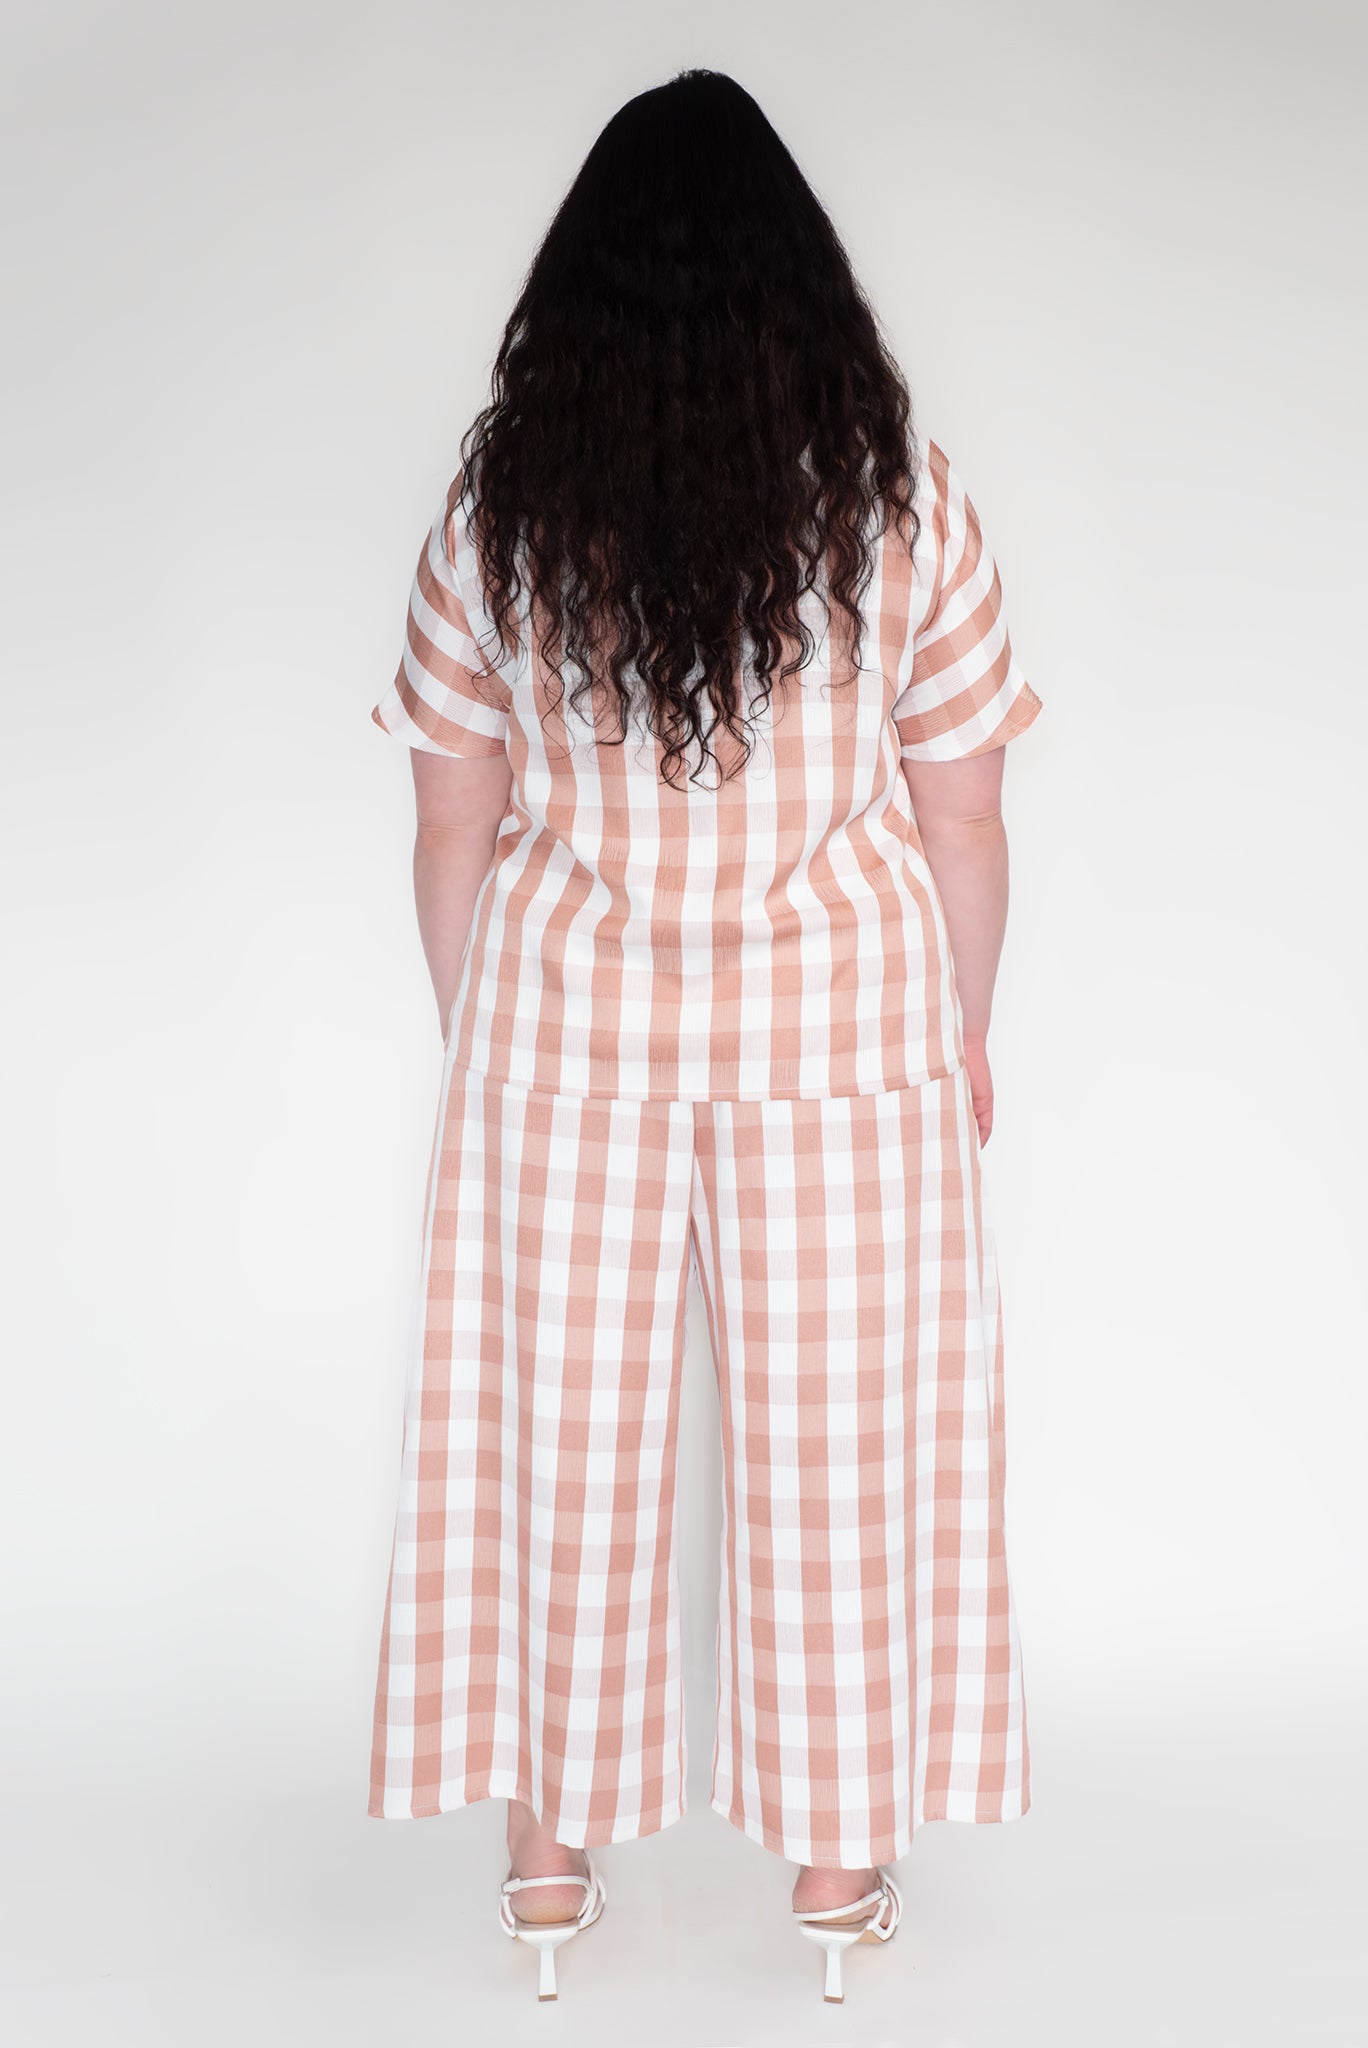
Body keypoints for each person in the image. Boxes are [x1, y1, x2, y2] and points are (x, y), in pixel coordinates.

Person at [367, 68, 1042, 2004]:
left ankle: (546, 1868)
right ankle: (837, 1871)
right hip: (841, 1036)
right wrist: (964, 1026)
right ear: (801, 280)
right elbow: (966, 808)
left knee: (547, 1433)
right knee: (845, 1438)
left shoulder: (506, 508)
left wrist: (489, 1028)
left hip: (563, 1035)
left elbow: (451, 819)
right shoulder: (900, 498)